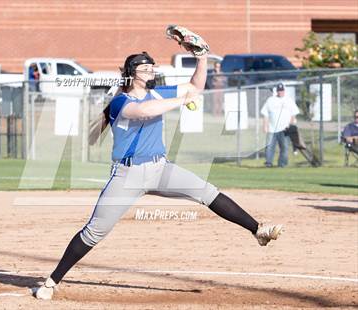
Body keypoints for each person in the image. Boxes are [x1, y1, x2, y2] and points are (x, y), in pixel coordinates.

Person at [34, 51, 283, 300]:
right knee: (94, 232)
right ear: (132, 73)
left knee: (208, 192)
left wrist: (202, 58)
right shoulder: (121, 101)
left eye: (153, 67)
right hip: (128, 175)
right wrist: (181, 100)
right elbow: (144, 112)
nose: (152, 71)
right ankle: (51, 281)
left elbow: (195, 87)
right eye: (146, 68)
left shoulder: (158, 93)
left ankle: (257, 230)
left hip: (160, 169)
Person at [261, 83, 300, 167]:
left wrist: (290, 125)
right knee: (269, 147)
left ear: (284, 91)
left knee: (284, 148)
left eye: (282, 90)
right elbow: (265, 114)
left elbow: (294, 114)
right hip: (272, 128)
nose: (280, 92)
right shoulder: (270, 100)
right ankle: (268, 162)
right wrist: (265, 126)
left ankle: (282, 164)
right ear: (276, 91)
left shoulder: (289, 100)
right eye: (279, 91)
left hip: (284, 129)